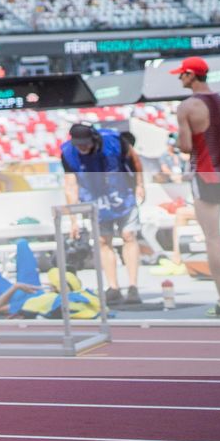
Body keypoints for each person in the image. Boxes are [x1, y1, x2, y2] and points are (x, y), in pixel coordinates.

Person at [58, 122, 145, 307]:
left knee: (129, 235)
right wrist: (73, 218)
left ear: (93, 139)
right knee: (103, 241)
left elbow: (135, 160)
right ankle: (113, 288)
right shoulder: (68, 153)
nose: (82, 147)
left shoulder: (113, 141)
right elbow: (70, 185)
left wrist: (139, 184)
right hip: (95, 199)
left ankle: (133, 286)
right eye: (78, 144)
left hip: (122, 194)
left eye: (85, 143)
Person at [173, 56, 220, 318]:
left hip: (207, 174)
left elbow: (186, 147)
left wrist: (178, 140)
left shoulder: (187, 107)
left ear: (192, 75)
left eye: (182, 74)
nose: (179, 78)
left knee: (213, 238)